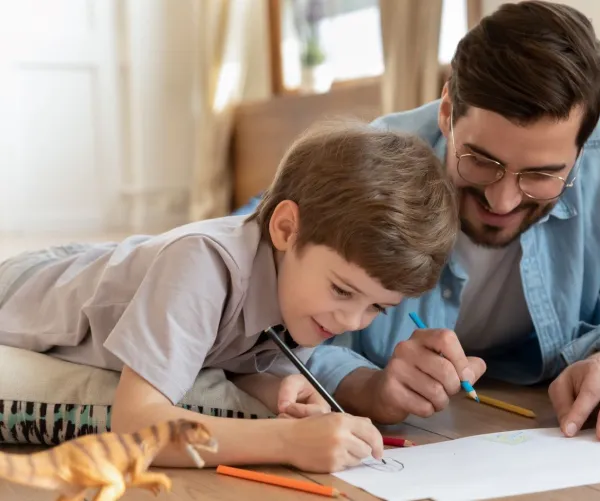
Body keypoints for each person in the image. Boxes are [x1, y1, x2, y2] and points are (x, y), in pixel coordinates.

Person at [305, 1, 600, 442]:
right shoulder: (372, 162)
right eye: (481, 161)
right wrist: (366, 387)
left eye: (541, 175)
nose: (502, 200)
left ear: (581, 151)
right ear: (448, 110)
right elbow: (270, 326)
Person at [0, 120, 459, 473]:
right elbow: (135, 423)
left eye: (377, 307)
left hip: (114, 259)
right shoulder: (202, 266)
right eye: (343, 290)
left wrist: (276, 387)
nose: (353, 321)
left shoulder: (300, 287)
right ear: (285, 229)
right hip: (24, 286)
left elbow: (228, 354)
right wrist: (287, 442)